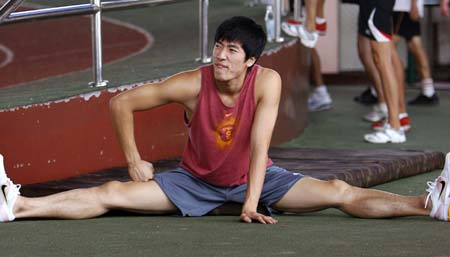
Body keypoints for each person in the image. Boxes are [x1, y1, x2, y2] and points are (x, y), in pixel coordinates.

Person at [0, 16, 449, 224]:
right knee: (113, 192)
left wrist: (251, 204)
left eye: (232, 49)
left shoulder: (267, 82)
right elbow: (121, 104)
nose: (221, 54)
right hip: (194, 181)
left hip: (257, 179)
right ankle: (18, 207)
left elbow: (258, 149)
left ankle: (429, 206)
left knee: (337, 192)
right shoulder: (192, 84)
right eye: (219, 45)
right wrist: (134, 159)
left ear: (251, 60)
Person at [392, 10, 439, 105]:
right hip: (404, 7)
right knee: (415, 44)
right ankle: (428, 90)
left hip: (403, 8)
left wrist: (415, 5)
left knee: (386, 48)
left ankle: (378, 90)